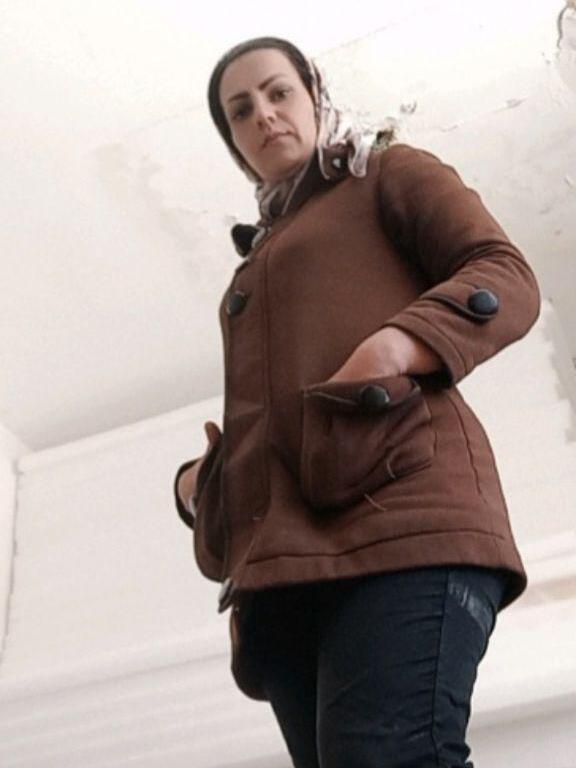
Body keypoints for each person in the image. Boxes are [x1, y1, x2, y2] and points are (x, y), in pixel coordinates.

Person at [173, 36, 541, 768]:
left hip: (403, 518)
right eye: (240, 110)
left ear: (315, 95)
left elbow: (503, 274)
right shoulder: (252, 267)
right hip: (284, 574)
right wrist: (200, 486)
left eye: (278, 92)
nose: (263, 115)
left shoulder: (385, 175)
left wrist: (397, 345)